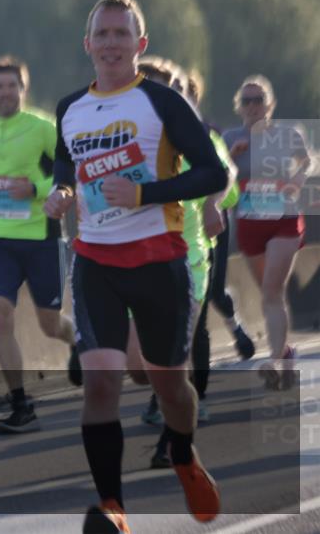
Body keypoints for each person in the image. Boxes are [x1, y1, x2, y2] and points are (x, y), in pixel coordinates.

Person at [44, 0, 227, 532]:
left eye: (122, 34)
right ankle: (113, 508)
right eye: (102, 33)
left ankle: (184, 454)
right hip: (96, 262)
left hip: (159, 261)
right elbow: (64, 162)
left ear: (139, 44)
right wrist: (59, 194)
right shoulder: (70, 108)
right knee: (101, 381)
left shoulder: (163, 103)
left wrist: (147, 195)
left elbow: (212, 174)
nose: (111, 43)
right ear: (88, 45)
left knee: (168, 385)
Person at [128, 58, 237, 470]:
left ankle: (174, 441)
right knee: (140, 367)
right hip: (131, 261)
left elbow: (225, 174)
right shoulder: (121, 139)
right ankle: (172, 413)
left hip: (186, 260)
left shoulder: (193, 136)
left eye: (165, 90)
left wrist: (211, 202)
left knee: (172, 357)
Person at [0, 55, 77, 434]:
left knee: (48, 324)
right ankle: (20, 404)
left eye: (13, 86)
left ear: (23, 90)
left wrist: (36, 189)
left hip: (40, 237)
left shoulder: (43, 127)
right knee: (1, 313)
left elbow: (68, 173)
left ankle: (79, 342)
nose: (5, 92)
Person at [223, 75, 313, 390]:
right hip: (249, 223)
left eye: (258, 100)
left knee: (273, 291)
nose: (252, 106)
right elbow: (217, 180)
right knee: (269, 294)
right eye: (246, 101)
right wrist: (232, 156)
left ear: (270, 105)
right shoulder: (230, 137)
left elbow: (307, 162)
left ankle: (274, 360)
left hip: (283, 220)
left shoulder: (289, 133)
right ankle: (286, 353)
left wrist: (298, 181)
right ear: (239, 107)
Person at [188, 69, 256, 363]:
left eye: (187, 94)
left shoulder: (208, 132)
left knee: (214, 293)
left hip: (214, 220)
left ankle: (235, 327)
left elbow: (225, 173)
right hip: (177, 230)